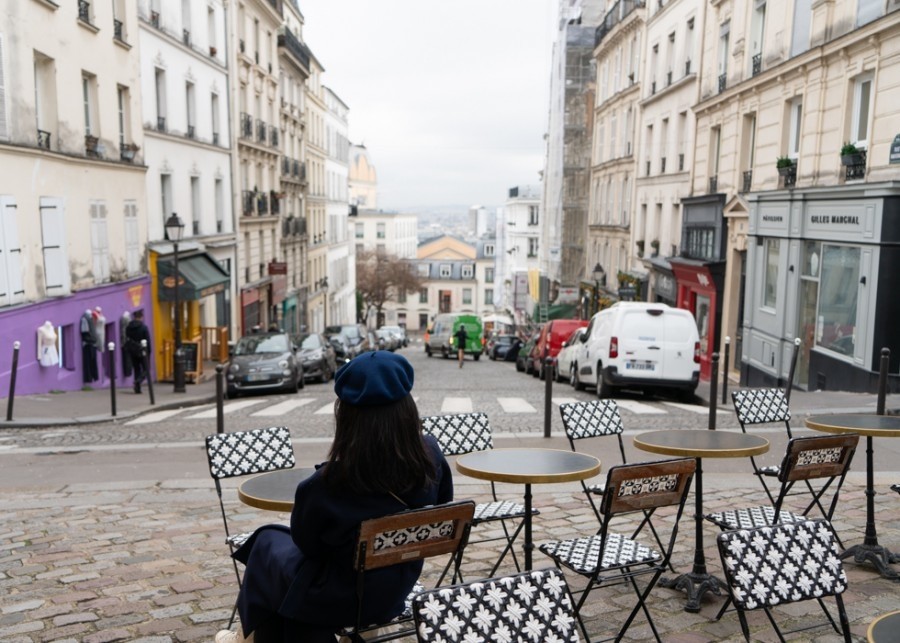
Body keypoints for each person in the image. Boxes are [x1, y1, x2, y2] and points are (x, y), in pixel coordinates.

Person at [216, 351, 453, 643]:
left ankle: (245, 638)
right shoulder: (431, 456)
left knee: (265, 544)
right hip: (395, 587)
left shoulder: (327, 483)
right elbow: (440, 508)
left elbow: (308, 545)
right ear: (407, 409)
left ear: (347, 418)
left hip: (341, 599)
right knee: (271, 545)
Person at [124, 310, 151, 394]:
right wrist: (149, 351)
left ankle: (137, 389)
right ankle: (138, 381)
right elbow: (147, 341)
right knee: (146, 369)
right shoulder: (143, 327)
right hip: (142, 350)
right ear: (141, 317)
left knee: (137, 369)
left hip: (133, 350)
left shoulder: (128, 327)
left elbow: (127, 337)